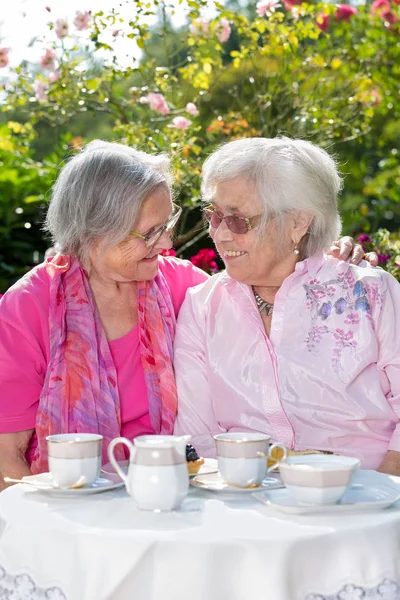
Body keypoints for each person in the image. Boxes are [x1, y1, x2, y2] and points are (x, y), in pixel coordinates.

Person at [0, 139, 370, 489]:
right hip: (67, 499)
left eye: (168, 224)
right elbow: (7, 459)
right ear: (95, 230)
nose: (167, 244)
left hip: (174, 491)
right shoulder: (30, 306)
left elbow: (271, 280)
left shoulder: (182, 286)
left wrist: (321, 255)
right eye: (150, 233)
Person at [173, 137, 400, 476]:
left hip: (368, 498)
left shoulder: (370, 293)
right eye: (214, 216)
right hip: (250, 503)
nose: (218, 235)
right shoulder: (203, 306)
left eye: (237, 220)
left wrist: (379, 495)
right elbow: (198, 436)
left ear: (298, 223)